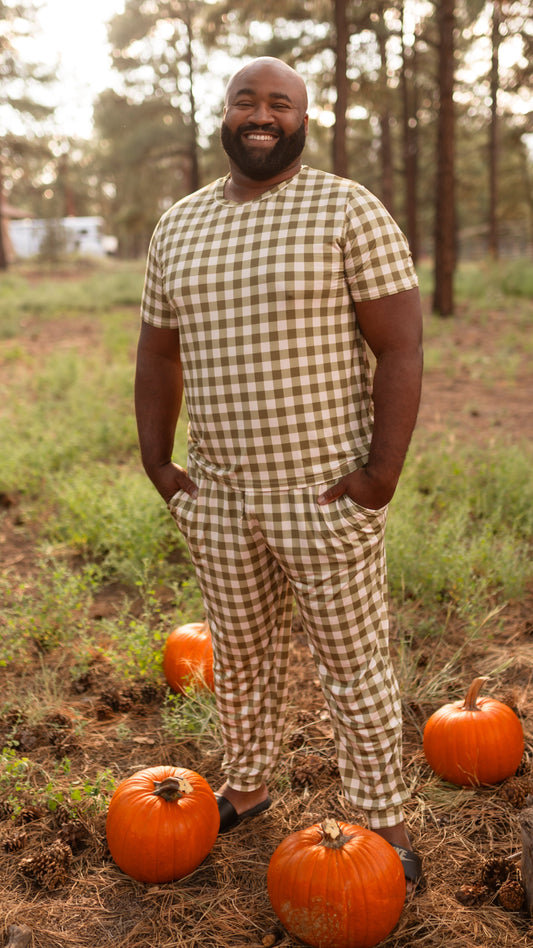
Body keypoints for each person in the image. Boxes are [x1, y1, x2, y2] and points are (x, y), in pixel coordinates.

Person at [135, 57, 424, 889]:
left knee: (352, 660)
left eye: (280, 104)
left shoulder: (345, 208)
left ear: (303, 118)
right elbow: (158, 351)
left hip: (322, 490)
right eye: (246, 101)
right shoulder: (179, 226)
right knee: (240, 649)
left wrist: (377, 478)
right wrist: (160, 462)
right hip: (218, 495)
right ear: (224, 115)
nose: (261, 115)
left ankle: (382, 816)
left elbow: (399, 345)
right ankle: (248, 784)